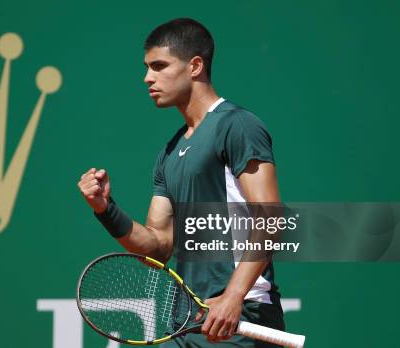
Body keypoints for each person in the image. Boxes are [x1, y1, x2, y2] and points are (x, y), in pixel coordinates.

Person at [77, 18, 284, 347]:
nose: (147, 78)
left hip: (240, 317)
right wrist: (105, 210)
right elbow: (157, 249)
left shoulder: (237, 126)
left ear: (195, 66)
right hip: (190, 322)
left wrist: (232, 296)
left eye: (159, 66)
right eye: (146, 67)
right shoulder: (169, 153)